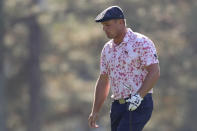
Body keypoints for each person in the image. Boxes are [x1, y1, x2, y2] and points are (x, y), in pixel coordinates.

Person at [88, 5, 160, 131]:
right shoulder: (107, 49)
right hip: (117, 105)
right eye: (103, 26)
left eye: (107, 25)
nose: (104, 29)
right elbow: (104, 80)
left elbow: (154, 72)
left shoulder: (141, 42)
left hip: (139, 103)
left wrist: (138, 97)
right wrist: (95, 111)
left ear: (121, 22)